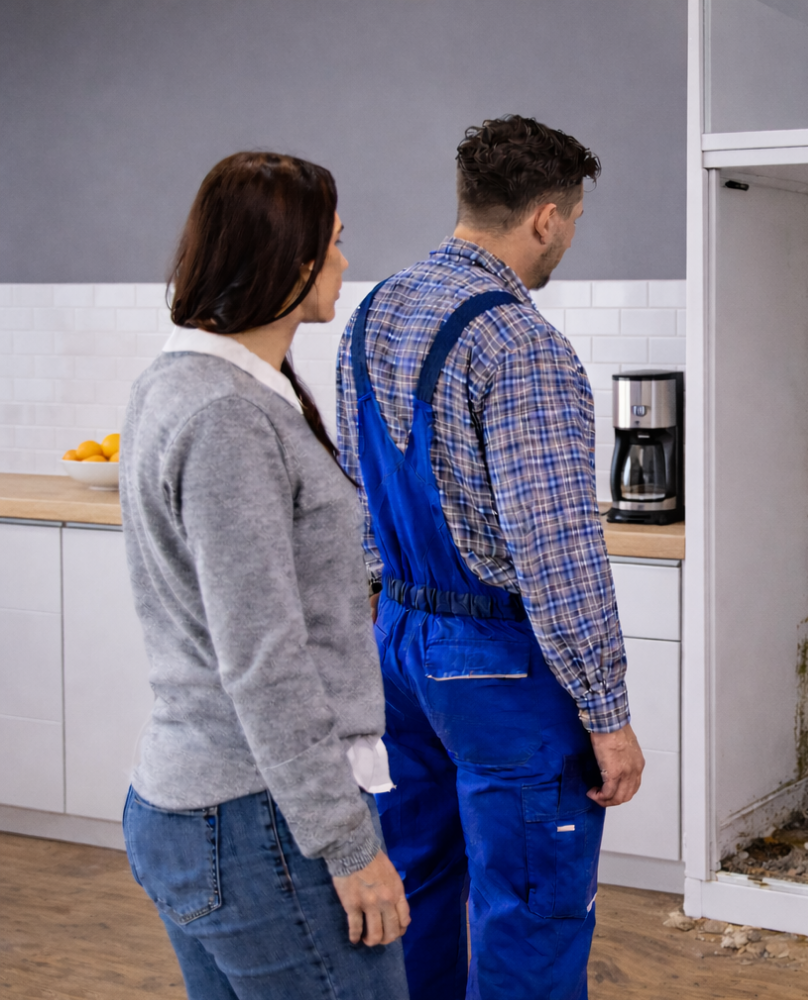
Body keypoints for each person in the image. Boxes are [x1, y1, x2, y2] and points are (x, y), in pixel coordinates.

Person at [335, 115, 644, 999]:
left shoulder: (373, 314)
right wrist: (607, 714)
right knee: (532, 908)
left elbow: (355, 489)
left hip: (397, 646)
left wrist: (378, 610)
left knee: (417, 884)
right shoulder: (522, 345)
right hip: (497, 670)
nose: (568, 237)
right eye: (572, 219)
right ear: (545, 217)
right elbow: (557, 551)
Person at [120, 152, 411, 1000]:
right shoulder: (228, 417)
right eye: (336, 242)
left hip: (213, 809)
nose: (346, 262)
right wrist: (349, 846)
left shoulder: (194, 385)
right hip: (256, 823)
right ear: (290, 260)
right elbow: (263, 660)